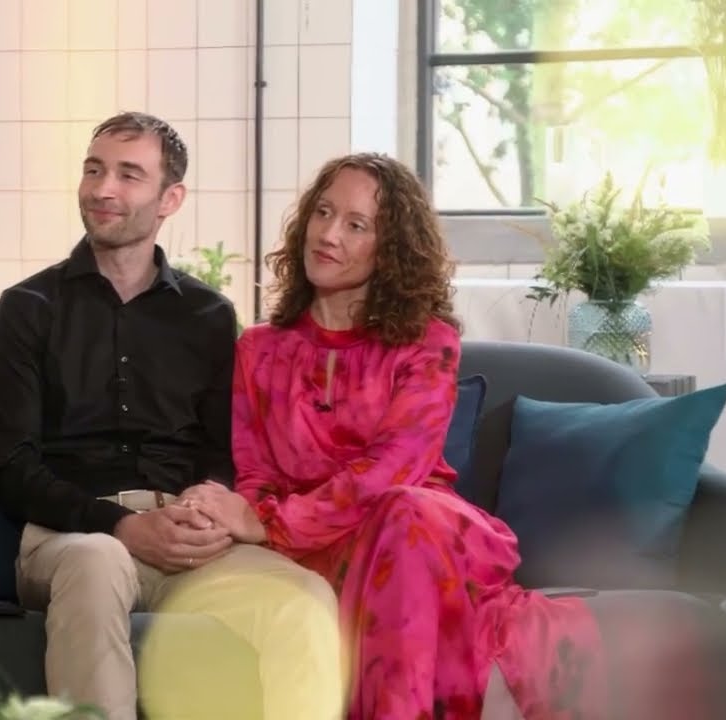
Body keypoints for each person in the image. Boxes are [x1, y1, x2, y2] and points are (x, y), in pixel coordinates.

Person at [178, 153, 609, 719]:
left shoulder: (428, 344)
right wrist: (255, 517)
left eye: (356, 224)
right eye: (323, 212)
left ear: (390, 251)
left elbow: (392, 468)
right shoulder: (259, 349)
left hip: (419, 534)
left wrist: (271, 522)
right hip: (317, 548)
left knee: (403, 514)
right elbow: (256, 471)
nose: (329, 234)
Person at [0, 111, 345, 720]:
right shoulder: (28, 307)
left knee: (302, 596)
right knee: (97, 562)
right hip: (73, 538)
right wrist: (121, 526)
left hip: (184, 532)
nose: (103, 189)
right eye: (94, 170)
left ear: (170, 198)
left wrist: (207, 505)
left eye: (129, 175)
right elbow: (9, 463)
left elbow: (223, 450)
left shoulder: (208, 315)